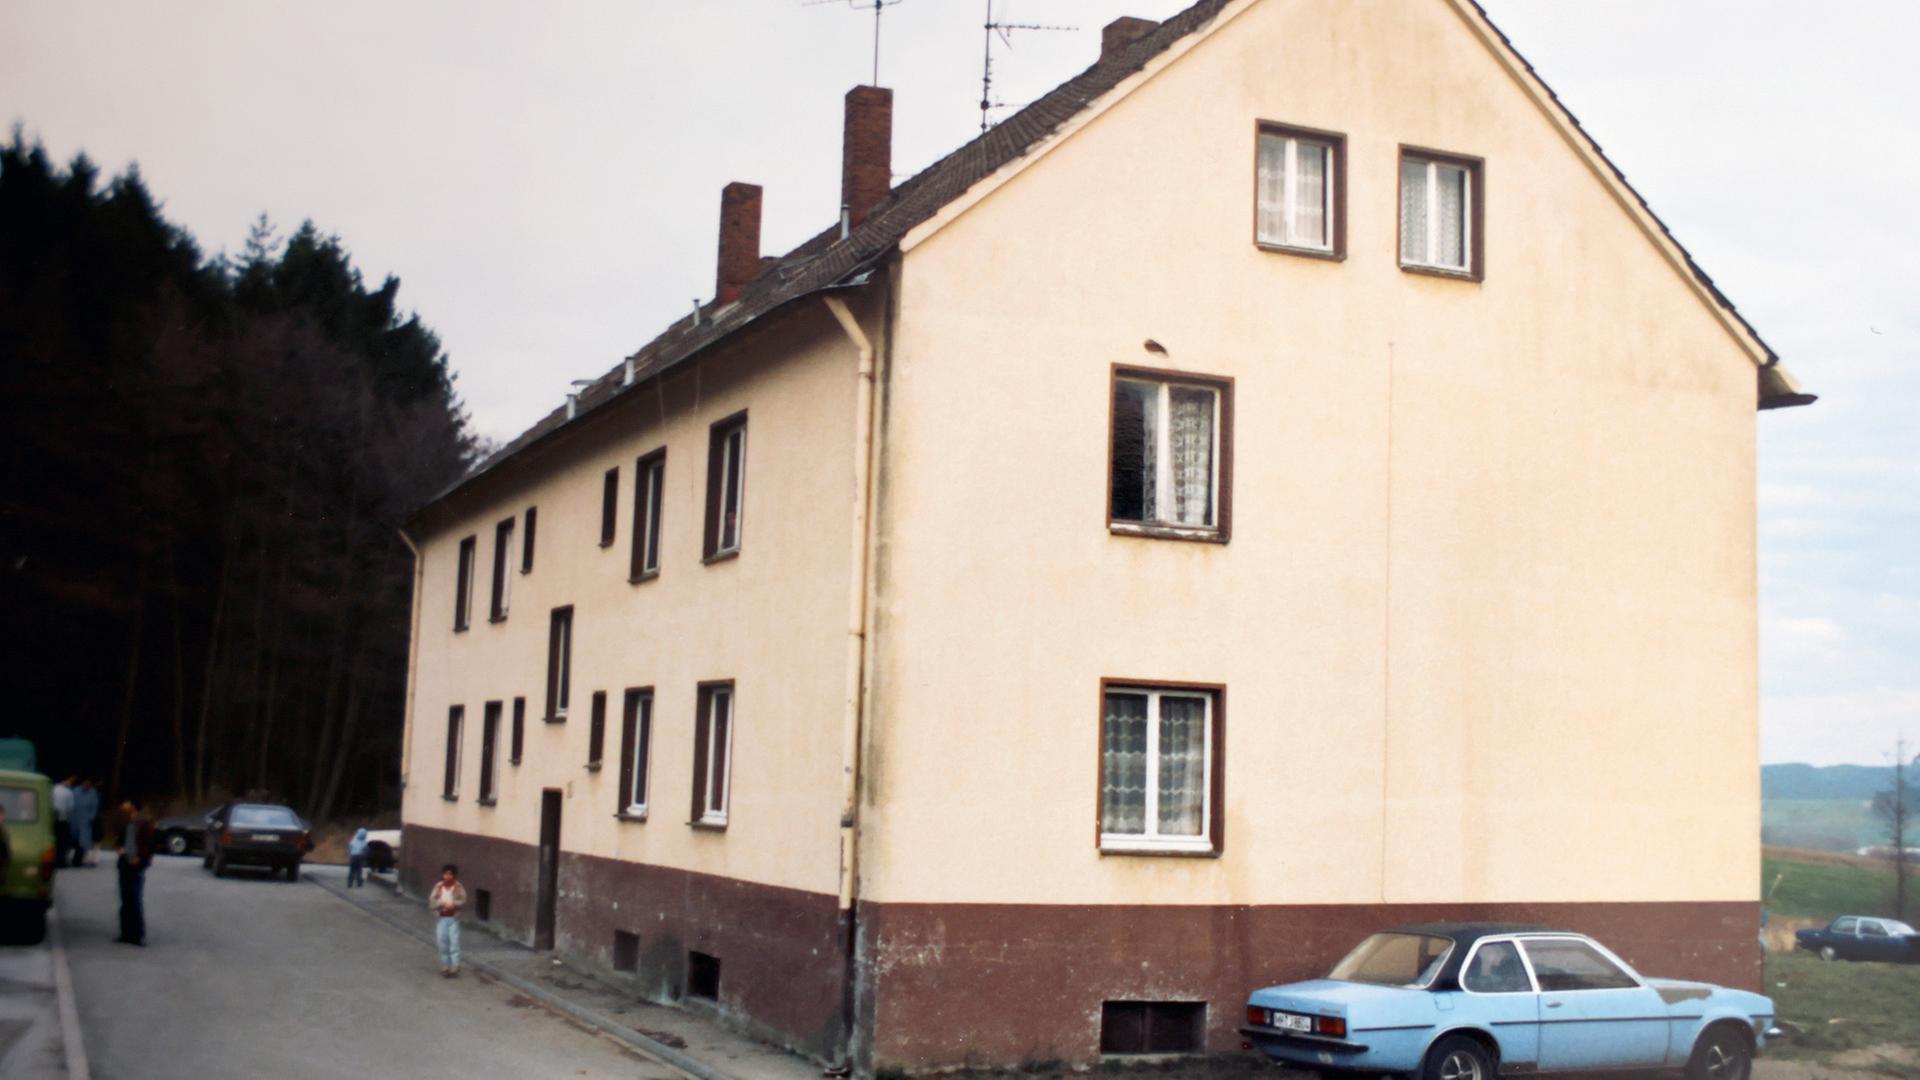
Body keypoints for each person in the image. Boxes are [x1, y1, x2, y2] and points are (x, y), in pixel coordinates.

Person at [115, 798, 156, 946]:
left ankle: (138, 935)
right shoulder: (125, 821)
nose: (122, 806)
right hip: (124, 863)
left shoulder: (144, 822)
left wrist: (140, 859)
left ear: (132, 805)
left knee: (135, 899)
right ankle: (125, 933)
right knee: (125, 899)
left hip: (137, 865)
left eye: (125, 803)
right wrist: (120, 849)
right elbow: (120, 839)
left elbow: (150, 845)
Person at [428, 864, 467, 977]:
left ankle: (455, 966)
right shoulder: (439, 887)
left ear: (454, 876)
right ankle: (445, 964)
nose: (447, 876)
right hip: (442, 918)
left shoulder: (458, 887)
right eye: (445, 874)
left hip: (453, 918)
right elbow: (432, 901)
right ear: (442, 875)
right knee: (442, 942)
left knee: (454, 942)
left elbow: (463, 900)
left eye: (450, 874)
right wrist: (441, 903)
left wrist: (454, 904)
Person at [71, 779, 99, 868]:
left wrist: (91, 818)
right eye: (85, 783)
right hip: (74, 819)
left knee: (82, 841)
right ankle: (72, 858)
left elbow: (95, 807)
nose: (86, 785)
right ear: (82, 783)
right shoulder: (75, 791)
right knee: (73, 839)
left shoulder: (92, 793)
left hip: (85, 821)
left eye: (88, 784)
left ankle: (78, 860)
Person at [50, 776, 74, 868]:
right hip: (63, 819)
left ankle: (53, 860)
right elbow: (70, 807)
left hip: (52, 819)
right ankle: (61, 861)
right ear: (66, 780)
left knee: (54, 841)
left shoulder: (52, 789)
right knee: (63, 842)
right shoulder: (68, 792)